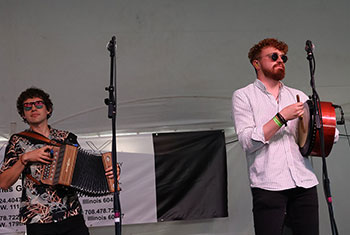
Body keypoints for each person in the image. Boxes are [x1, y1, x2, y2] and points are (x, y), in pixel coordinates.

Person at [232, 38, 319, 235]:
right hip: (268, 186)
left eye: (283, 57)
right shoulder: (243, 96)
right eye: (274, 56)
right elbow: (247, 142)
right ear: (256, 63)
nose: (280, 60)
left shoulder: (299, 96)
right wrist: (281, 117)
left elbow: (329, 135)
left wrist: (323, 127)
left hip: (304, 183)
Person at [0, 87, 115, 235]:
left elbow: (84, 170)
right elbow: (3, 183)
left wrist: (107, 172)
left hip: (71, 214)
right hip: (38, 219)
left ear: (48, 109)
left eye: (39, 104)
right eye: (27, 106)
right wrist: (25, 158)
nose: (33, 108)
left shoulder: (66, 137)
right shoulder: (17, 141)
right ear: (23, 114)